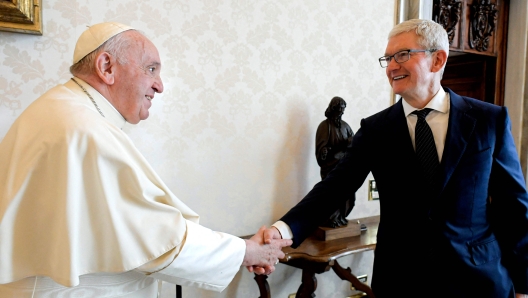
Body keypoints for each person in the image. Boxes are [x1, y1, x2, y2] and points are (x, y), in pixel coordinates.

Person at [0, 22, 291, 297]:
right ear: (107, 67)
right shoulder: (83, 130)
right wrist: (245, 251)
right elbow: (154, 239)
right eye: (151, 69)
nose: (159, 86)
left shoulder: (64, 111)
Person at [256, 19, 528, 298]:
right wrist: (282, 230)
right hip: (401, 281)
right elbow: (334, 188)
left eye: (402, 55)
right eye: (387, 58)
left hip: (478, 281)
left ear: (437, 60)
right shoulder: (376, 129)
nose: (391, 67)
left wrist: (523, 286)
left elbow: (514, 208)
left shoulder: (489, 121)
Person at [315, 96, 354, 227]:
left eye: (343, 110)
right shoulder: (324, 127)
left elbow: (354, 142)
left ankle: (341, 217)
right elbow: (321, 149)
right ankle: (331, 219)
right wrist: (324, 151)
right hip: (330, 167)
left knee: (347, 194)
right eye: (340, 110)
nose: (342, 113)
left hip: (344, 166)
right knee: (331, 194)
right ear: (333, 109)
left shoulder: (345, 126)